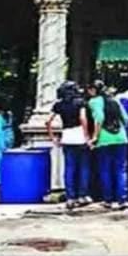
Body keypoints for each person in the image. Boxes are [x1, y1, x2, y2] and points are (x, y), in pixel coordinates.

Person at [47, 81, 92, 210]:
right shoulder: (81, 102)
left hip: (66, 136)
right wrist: (86, 135)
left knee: (69, 168)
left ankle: (70, 197)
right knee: (84, 167)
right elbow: (83, 119)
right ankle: (83, 195)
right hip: (80, 136)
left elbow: (48, 121)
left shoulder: (58, 105)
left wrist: (53, 138)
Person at [88, 80, 128, 210]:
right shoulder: (115, 100)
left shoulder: (94, 102)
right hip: (121, 138)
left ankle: (108, 200)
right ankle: (122, 200)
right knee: (121, 170)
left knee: (105, 170)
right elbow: (126, 119)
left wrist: (95, 137)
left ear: (94, 90)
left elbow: (99, 118)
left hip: (104, 139)